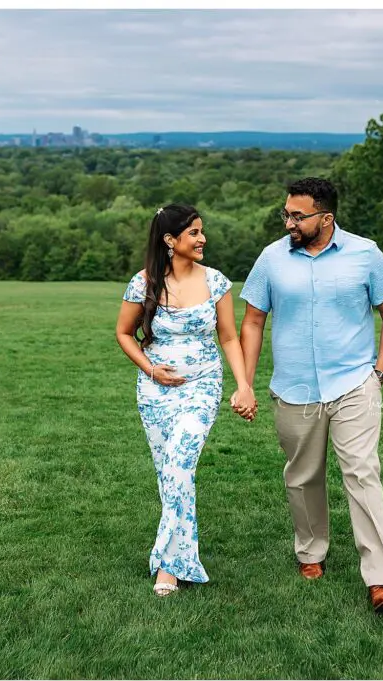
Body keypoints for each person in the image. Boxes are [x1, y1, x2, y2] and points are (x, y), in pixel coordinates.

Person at [232, 177, 383, 614]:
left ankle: (381, 578)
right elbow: (253, 321)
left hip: (353, 383)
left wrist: (378, 373)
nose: (289, 221)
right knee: (303, 474)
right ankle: (311, 552)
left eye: (298, 215)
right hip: (294, 387)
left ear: (326, 218)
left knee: (363, 473)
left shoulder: (366, 253)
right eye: (286, 213)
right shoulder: (272, 258)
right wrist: (246, 383)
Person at [116, 204, 256, 598]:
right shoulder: (143, 283)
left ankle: (167, 565)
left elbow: (229, 337)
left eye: (201, 231)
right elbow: (124, 333)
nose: (202, 239)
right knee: (169, 476)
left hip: (202, 386)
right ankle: (182, 559)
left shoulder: (216, 282)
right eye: (193, 233)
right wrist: (151, 369)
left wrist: (243, 385)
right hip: (155, 392)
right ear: (169, 241)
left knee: (179, 465)